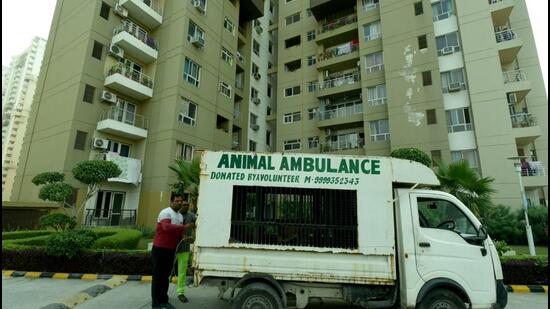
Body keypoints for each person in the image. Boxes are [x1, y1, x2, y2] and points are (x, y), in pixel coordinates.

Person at [151, 193, 194, 309]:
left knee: (165, 277)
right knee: (158, 277)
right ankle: (156, 304)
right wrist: (184, 227)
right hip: (160, 249)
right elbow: (166, 227)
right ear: (171, 202)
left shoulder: (179, 216)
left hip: (171, 250)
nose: (179, 203)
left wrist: (183, 237)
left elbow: (177, 233)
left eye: (181, 201)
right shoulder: (166, 212)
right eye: (177, 201)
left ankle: (164, 301)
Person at [174, 200, 197, 303]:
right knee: (166, 270)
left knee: (182, 272)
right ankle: (162, 292)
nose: (186, 206)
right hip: (172, 247)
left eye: (187, 205)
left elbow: (199, 224)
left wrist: (193, 237)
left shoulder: (191, 216)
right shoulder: (174, 215)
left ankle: (180, 292)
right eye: (184, 205)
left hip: (184, 248)